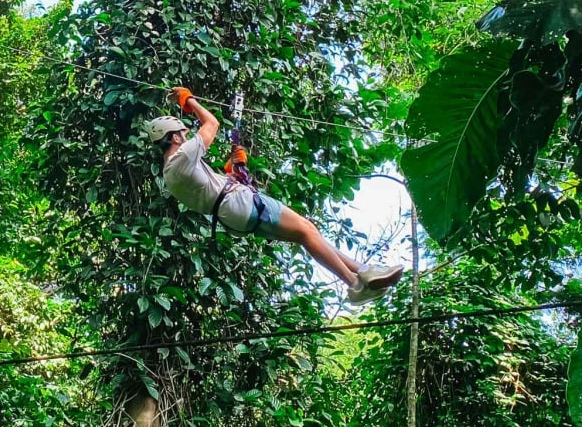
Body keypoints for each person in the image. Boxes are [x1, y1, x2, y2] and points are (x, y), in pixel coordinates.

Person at [146, 87, 403, 305]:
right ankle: (356, 284)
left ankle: (363, 273)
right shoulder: (181, 157)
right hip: (238, 203)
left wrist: (231, 171)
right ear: (174, 137)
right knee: (306, 229)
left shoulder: (171, 174)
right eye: (182, 132)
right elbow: (211, 124)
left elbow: (208, 190)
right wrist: (187, 100)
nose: (187, 135)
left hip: (232, 216)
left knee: (307, 234)